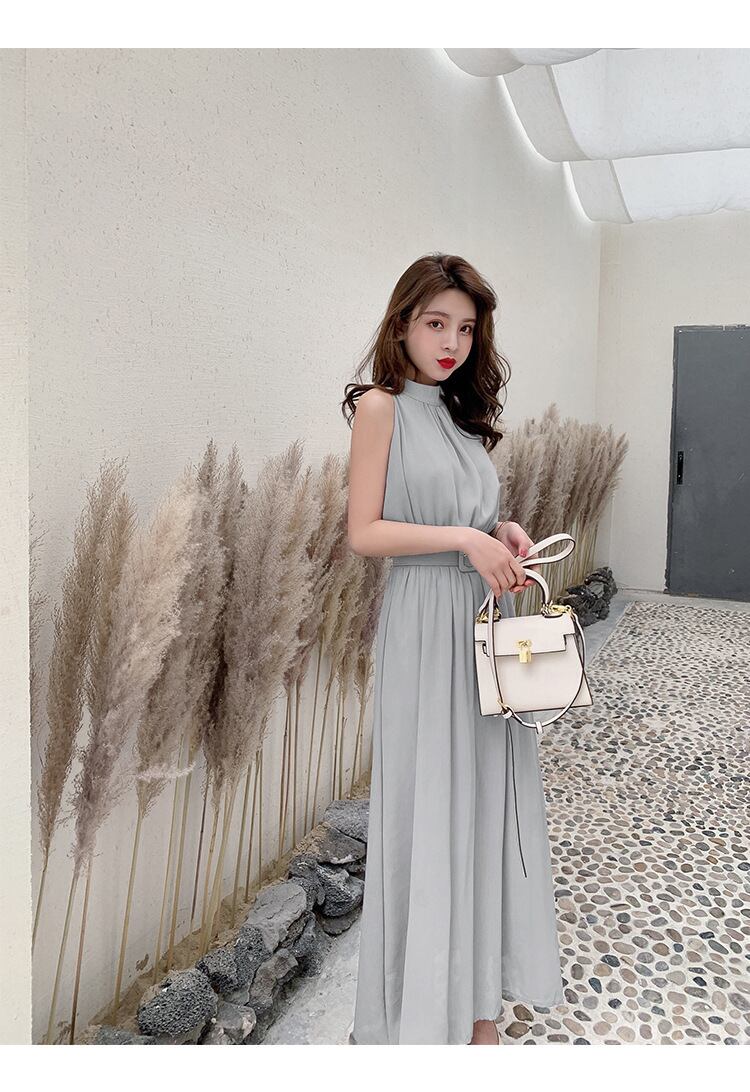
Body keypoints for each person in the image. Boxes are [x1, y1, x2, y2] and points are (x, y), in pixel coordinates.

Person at [342, 253, 564, 1046]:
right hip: (424, 623)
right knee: (430, 802)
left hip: (479, 621)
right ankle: (420, 1011)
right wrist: (465, 540)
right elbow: (365, 532)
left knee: (480, 804)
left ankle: (476, 1010)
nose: (451, 343)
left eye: (466, 329)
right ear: (402, 322)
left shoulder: (461, 413)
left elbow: (464, 512)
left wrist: (499, 530)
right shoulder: (381, 407)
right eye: (436, 323)